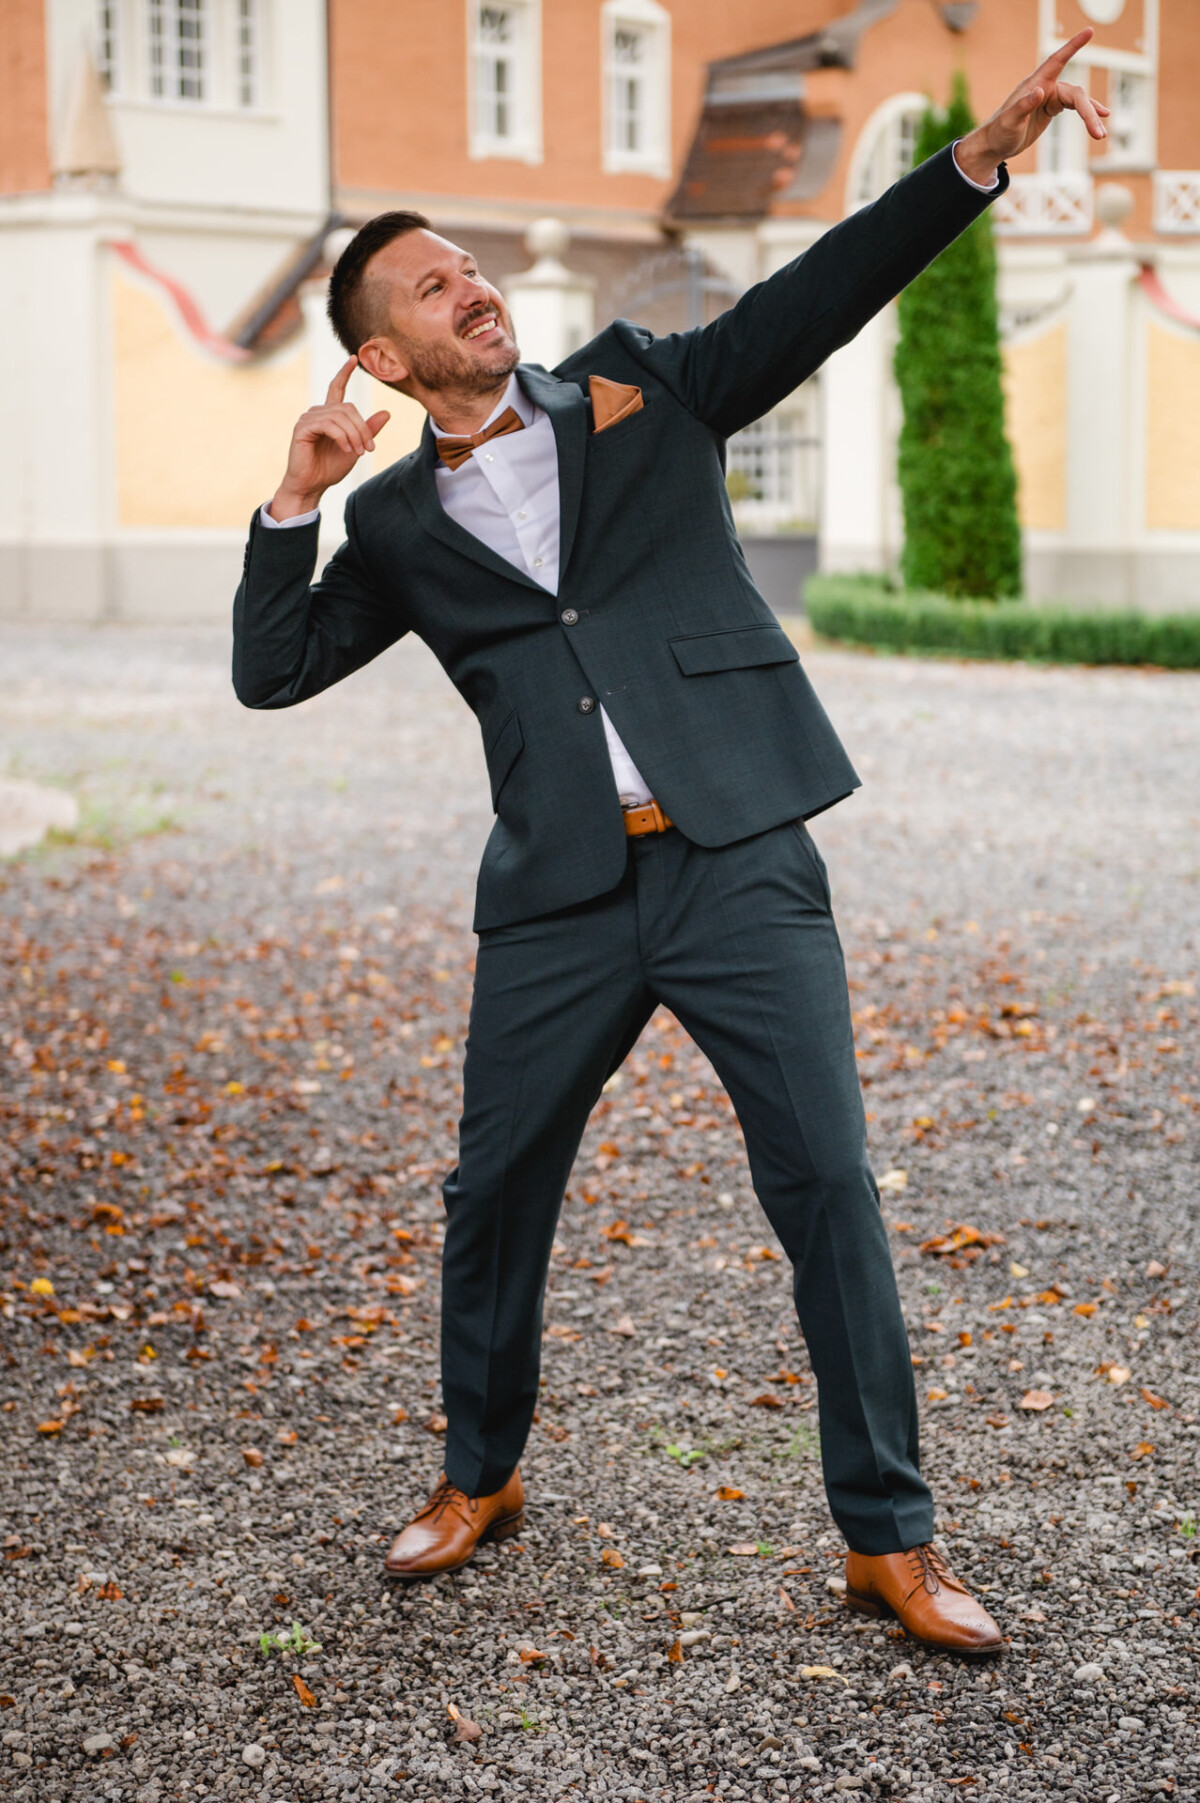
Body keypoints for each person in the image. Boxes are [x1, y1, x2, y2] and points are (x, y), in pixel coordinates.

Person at [233, 33, 1107, 1655]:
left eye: (474, 270)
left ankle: (888, 1536)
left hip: (735, 858)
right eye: (433, 291)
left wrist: (978, 155)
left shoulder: (645, 383)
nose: (474, 291)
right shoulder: (396, 524)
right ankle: (480, 1473)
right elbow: (270, 674)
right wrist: (295, 500)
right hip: (560, 896)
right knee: (493, 1188)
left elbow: (821, 294)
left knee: (830, 1180)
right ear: (382, 359)